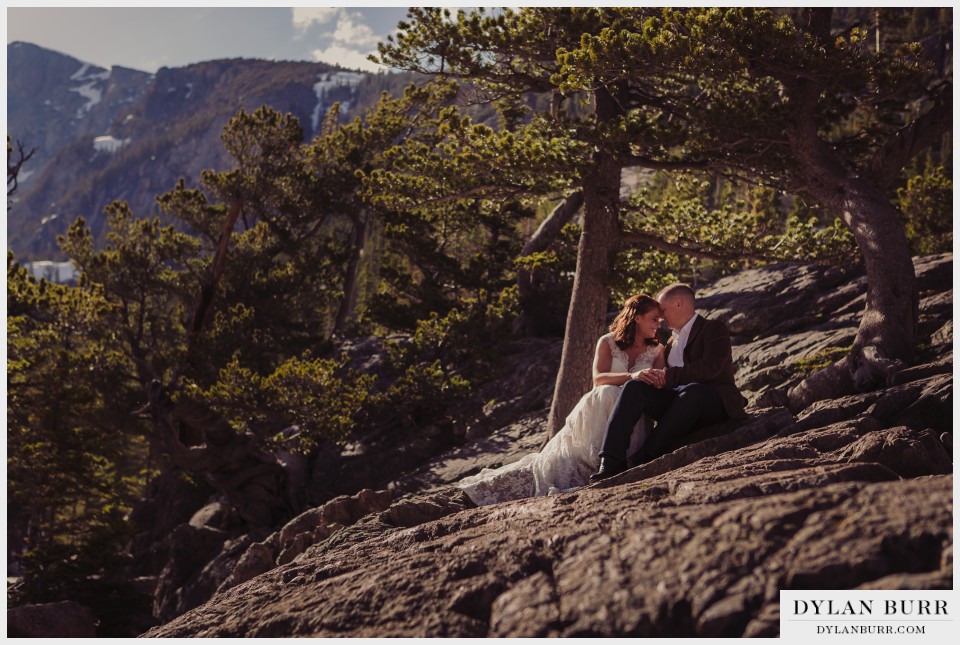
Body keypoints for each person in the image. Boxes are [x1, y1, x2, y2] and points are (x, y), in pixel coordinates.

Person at [459, 294, 666, 505]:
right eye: (654, 318)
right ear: (637, 317)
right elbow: (598, 379)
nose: (658, 324)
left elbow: (657, 384)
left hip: (633, 417)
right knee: (607, 392)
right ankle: (597, 458)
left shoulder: (658, 350)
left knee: (617, 394)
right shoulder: (608, 342)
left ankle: (616, 458)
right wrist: (632, 376)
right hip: (600, 409)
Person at [590, 283, 748, 482]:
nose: (661, 318)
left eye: (663, 310)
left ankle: (644, 457)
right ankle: (611, 461)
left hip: (711, 402)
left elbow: (711, 368)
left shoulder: (713, 328)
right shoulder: (670, 343)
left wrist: (666, 376)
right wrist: (652, 379)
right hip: (678, 404)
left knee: (694, 392)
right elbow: (664, 380)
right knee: (634, 387)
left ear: (679, 304)